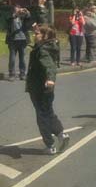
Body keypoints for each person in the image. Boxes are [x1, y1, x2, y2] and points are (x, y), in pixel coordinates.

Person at [26, 25, 69, 155]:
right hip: (46, 88)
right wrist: (36, 27)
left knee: (41, 115)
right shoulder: (49, 46)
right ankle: (61, 134)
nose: (35, 35)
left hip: (39, 87)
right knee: (48, 112)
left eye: (37, 33)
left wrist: (50, 78)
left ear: (44, 36)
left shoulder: (43, 50)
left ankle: (49, 145)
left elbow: (49, 65)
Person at [5, 5, 31, 81]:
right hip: (12, 40)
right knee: (12, 58)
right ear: (14, 10)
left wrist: (27, 12)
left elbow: (29, 18)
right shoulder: (11, 17)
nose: (19, 11)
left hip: (22, 40)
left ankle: (22, 74)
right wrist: (16, 14)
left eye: (20, 9)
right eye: (17, 10)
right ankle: (11, 74)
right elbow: (7, 19)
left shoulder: (23, 17)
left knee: (22, 58)